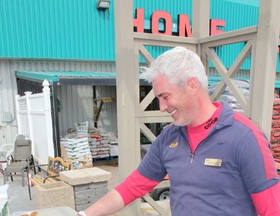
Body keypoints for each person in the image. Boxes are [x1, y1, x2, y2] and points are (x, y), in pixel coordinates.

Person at [78, 46, 280, 216]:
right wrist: (84, 215)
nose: (162, 107)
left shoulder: (244, 137)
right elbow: (131, 187)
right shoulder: (169, 137)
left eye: (165, 96)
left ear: (191, 85)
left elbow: (272, 209)